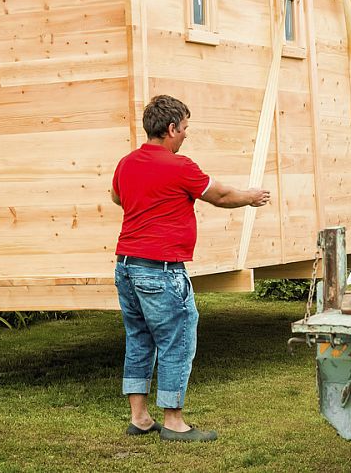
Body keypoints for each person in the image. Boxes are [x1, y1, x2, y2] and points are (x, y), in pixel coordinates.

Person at [110, 95, 270, 442]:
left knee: (139, 340)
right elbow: (222, 196)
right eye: (184, 129)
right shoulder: (180, 166)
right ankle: (173, 421)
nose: (185, 135)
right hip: (161, 270)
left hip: (125, 267)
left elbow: (117, 197)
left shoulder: (126, 163)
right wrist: (251, 196)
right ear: (170, 129)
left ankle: (139, 418)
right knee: (176, 340)